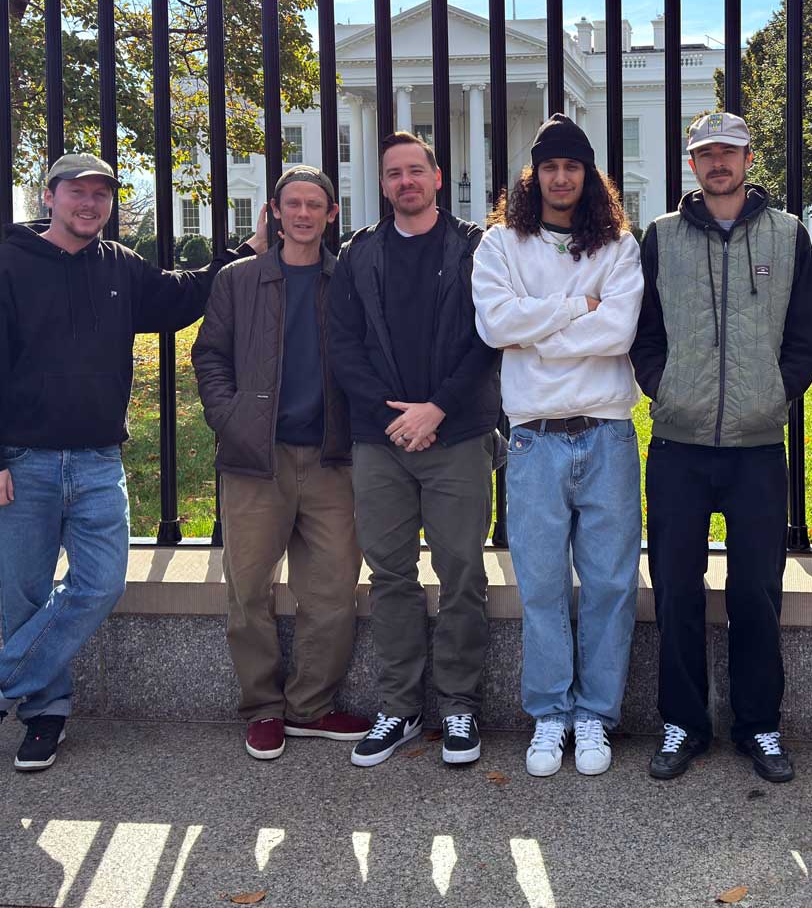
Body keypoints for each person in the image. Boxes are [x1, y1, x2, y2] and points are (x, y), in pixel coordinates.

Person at [0, 152, 265, 771]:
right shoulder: (3, 269)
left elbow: (178, 300)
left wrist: (241, 251)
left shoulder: (117, 266)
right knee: (27, 595)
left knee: (101, 583)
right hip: (21, 461)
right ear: (48, 197)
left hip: (97, 461)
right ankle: (45, 711)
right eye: (77, 192)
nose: (89, 203)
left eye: (101, 194)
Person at [631, 110, 812, 784]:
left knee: (756, 593)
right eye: (706, 153)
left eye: (730, 152)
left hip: (756, 447)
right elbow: (644, 334)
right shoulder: (659, 237)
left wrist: (774, 396)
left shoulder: (788, 235)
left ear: (748, 159)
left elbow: (805, 338)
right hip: (679, 446)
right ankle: (683, 723)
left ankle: (759, 725)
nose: (718, 163)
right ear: (692, 163)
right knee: (677, 590)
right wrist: (665, 389)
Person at [472, 114, 644, 777]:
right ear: (534, 175)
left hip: (605, 434)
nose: (561, 176)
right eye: (550, 166)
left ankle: (595, 717)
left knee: (608, 584)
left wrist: (538, 329)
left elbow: (620, 332)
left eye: (573, 166)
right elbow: (495, 325)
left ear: (588, 174)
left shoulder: (618, 247)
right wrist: (578, 308)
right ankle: (549, 714)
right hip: (535, 440)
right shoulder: (499, 245)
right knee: (541, 585)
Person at [329, 131, 500, 769]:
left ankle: (459, 704)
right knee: (390, 575)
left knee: (462, 572)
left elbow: (488, 338)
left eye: (415, 170)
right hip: (381, 440)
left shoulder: (474, 249)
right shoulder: (360, 255)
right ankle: (398, 706)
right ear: (383, 185)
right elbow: (343, 345)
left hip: (455, 433)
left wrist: (438, 409)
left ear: (436, 175)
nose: (405, 181)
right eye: (393, 174)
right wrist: (391, 416)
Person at [192, 165, 372, 761]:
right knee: (248, 588)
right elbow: (209, 355)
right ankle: (262, 708)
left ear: (331, 215)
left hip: (330, 458)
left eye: (313, 205)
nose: (302, 214)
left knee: (333, 588)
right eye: (291, 204)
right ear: (273, 211)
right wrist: (233, 417)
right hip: (254, 460)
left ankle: (311, 706)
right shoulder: (238, 280)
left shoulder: (346, 277)